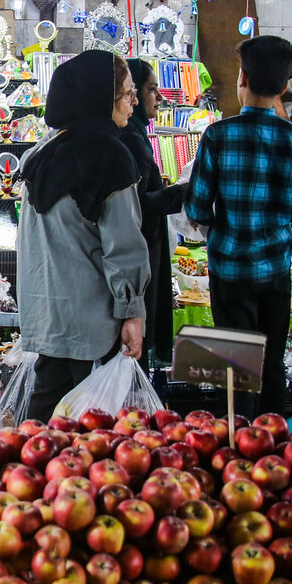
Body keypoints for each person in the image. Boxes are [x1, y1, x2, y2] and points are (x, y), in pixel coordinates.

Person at [183, 35, 292, 416]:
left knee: (233, 365)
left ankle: (234, 445)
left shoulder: (217, 135)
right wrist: (285, 212)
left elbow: (197, 207)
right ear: (285, 86)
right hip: (275, 273)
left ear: (242, 77)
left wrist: (219, 224)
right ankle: (272, 446)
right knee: (271, 364)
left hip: (229, 271)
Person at [18, 50, 151, 422]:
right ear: (98, 99)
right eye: (126, 94)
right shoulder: (111, 156)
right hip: (95, 323)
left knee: (44, 422)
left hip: (48, 317)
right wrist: (132, 313)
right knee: (91, 429)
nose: (133, 102)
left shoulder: (40, 153)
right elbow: (123, 248)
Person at [118, 58, 187, 364]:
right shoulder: (129, 139)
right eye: (150, 89)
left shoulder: (133, 135)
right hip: (139, 255)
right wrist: (185, 192)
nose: (157, 97)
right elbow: (137, 207)